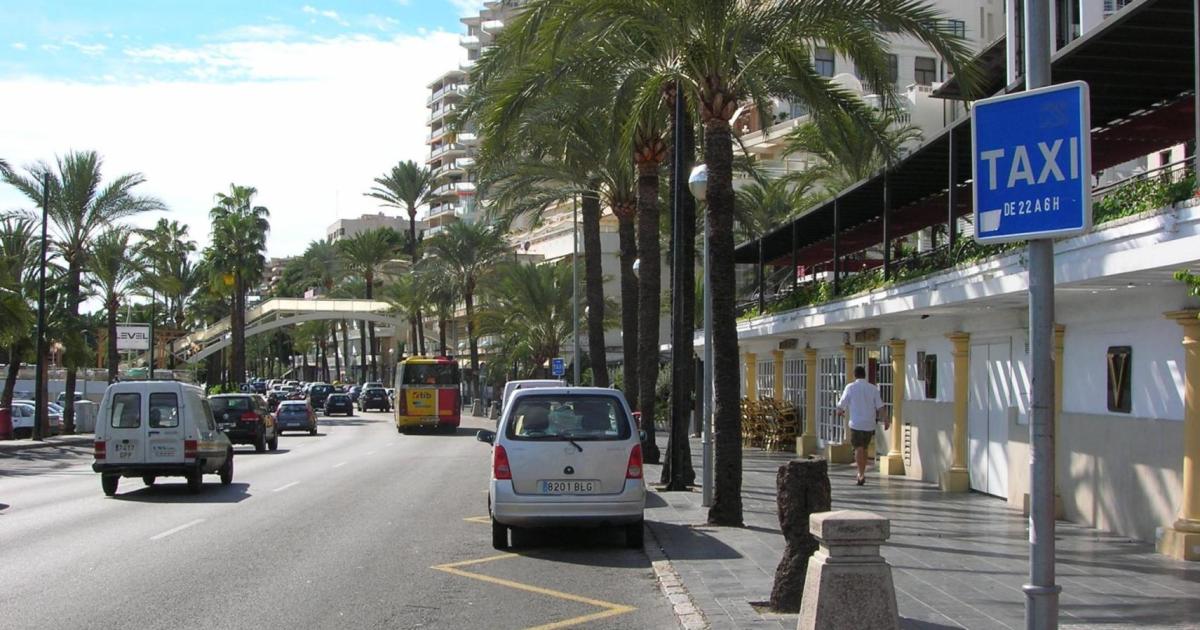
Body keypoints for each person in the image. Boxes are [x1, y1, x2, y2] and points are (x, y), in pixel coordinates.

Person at [836, 365, 888, 486]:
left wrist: (840, 411)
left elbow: (842, 403)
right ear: (864, 375)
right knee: (864, 448)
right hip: (869, 423)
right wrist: (885, 419)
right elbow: (880, 406)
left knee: (858, 448)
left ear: (854, 375)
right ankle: (862, 471)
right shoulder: (873, 388)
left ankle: (861, 474)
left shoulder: (850, 387)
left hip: (856, 423)